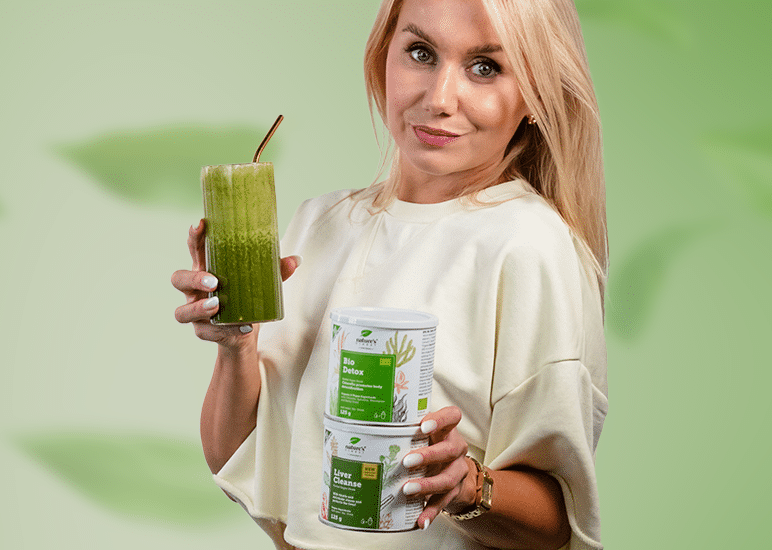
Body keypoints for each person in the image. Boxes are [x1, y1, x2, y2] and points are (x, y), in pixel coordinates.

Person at [170, 0, 608, 548]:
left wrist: (467, 487)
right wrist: (235, 344)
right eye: (421, 53)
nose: (440, 98)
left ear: (535, 96)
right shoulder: (318, 225)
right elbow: (242, 464)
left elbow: (557, 525)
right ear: (383, 57)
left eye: (486, 67)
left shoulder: (528, 245)